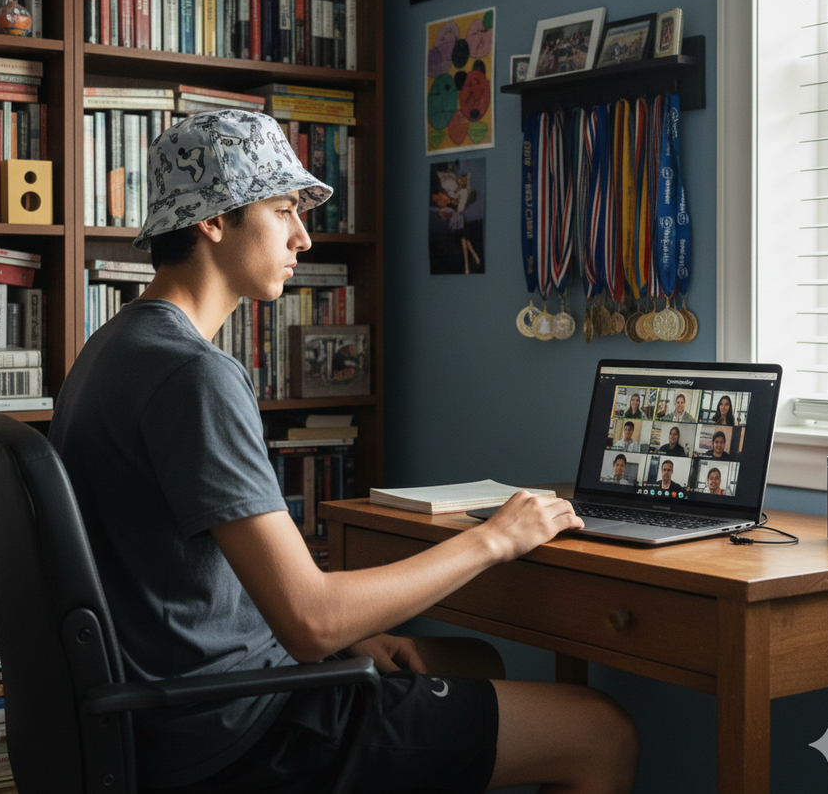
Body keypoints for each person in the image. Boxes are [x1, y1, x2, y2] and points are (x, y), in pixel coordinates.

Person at [48, 111, 637, 794]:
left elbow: (175, 570)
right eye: (282, 209)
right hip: (241, 733)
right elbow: (311, 620)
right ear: (212, 220)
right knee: (602, 731)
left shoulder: (111, 350)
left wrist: (345, 640)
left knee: (473, 659)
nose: (302, 234)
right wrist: (496, 540)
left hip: (177, 712)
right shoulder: (192, 375)